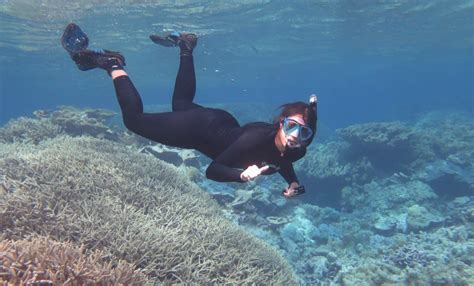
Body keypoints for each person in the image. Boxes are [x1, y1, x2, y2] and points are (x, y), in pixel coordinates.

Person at [61, 23, 318, 198]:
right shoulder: (255, 140)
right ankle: (112, 64)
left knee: (181, 105)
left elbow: (283, 160)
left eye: (303, 132)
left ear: (309, 136)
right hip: (199, 129)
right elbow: (213, 170)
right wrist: (242, 175)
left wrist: (292, 183)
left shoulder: (298, 149)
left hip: (219, 122)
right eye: (291, 126)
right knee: (134, 121)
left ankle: (186, 46)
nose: (295, 135)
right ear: (282, 122)